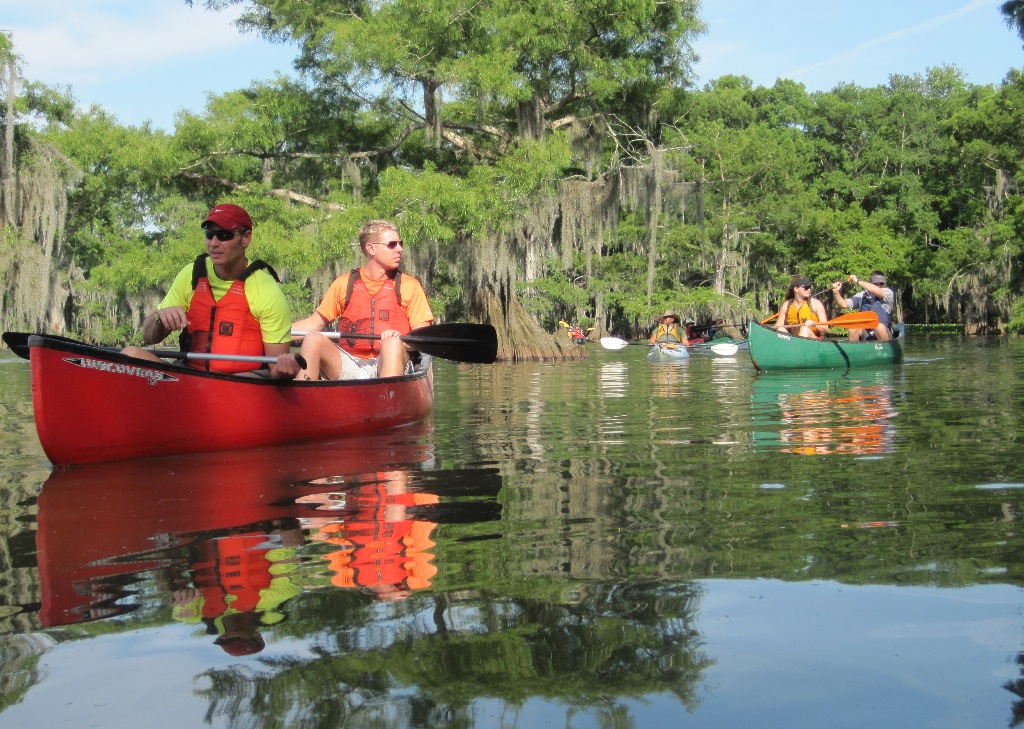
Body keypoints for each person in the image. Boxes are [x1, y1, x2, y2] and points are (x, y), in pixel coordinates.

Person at [122, 203, 301, 379]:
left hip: (242, 381)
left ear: (246, 238)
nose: (214, 243)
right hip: (190, 377)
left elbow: (276, 369)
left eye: (224, 235)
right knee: (129, 354)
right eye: (209, 235)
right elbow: (148, 337)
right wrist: (160, 319)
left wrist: (287, 370)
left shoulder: (266, 290)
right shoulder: (190, 274)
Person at [291, 220, 434, 380]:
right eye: (392, 244)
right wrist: (270, 334)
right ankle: (304, 398)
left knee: (392, 343)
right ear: (371, 248)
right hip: (349, 363)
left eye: (400, 244)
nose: (400, 249)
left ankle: (385, 399)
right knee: (313, 339)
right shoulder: (344, 283)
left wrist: (398, 338)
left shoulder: (410, 286)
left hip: (392, 362)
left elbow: (423, 338)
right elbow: (312, 324)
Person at [831, 271, 895, 342]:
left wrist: (857, 281)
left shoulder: (888, 293)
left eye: (881, 284)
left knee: (879, 327)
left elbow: (876, 290)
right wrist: (836, 292)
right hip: (867, 332)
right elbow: (843, 304)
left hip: (884, 332)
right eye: (876, 283)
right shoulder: (861, 296)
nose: (878, 285)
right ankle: (855, 351)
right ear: (869, 282)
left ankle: (884, 351)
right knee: (853, 329)